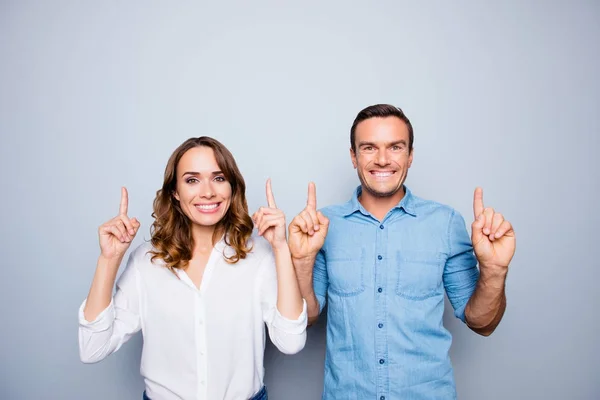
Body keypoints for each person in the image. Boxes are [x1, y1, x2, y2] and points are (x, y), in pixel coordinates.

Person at [288, 104, 516, 399]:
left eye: (395, 147)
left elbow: (483, 323)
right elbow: (307, 318)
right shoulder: (322, 226)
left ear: (410, 156)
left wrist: (495, 270)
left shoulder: (445, 223)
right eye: (369, 148)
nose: (382, 160)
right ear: (353, 157)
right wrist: (302, 260)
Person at [78, 136, 307, 400]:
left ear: (232, 188)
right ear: (174, 192)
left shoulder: (260, 255)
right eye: (192, 180)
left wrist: (280, 248)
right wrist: (109, 260)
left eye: (219, 178)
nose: (207, 191)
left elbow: (291, 342)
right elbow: (92, 348)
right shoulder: (146, 261)